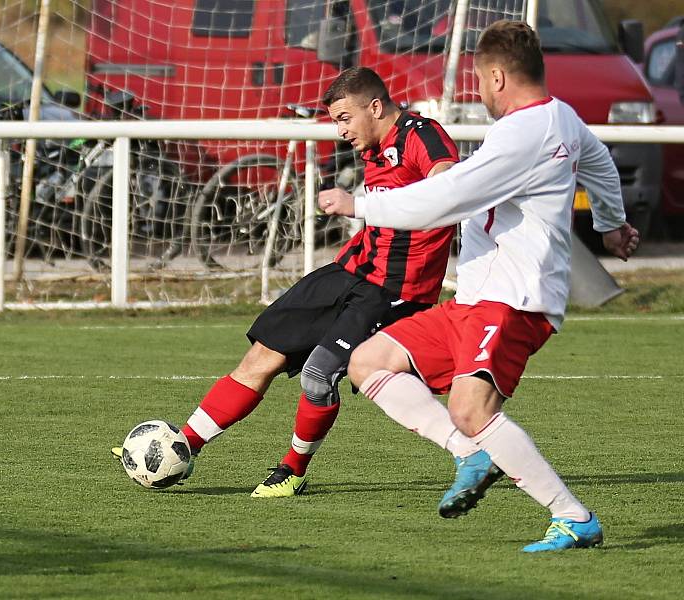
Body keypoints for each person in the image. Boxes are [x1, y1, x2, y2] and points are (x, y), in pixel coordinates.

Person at [116, 67, 503, 512]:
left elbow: (448, 182)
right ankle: (180, 447)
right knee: (261, 354)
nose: (341, 132)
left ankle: (292, 472)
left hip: (395, 289)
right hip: (350, 269)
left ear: (375, 107)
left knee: (319, 375)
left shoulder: (421, 133)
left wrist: (358, 204)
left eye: (344, 118)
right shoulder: (375, 144)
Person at [319, 21, 639, 552]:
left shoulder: (521, 134)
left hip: (514, 299)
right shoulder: (560, 116)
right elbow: (599, 158)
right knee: (370, 362)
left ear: (496, 76)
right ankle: (470, 453)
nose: (479, 91)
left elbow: (444, 197)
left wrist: (361, 204)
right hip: (476, 297)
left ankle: (572, 516)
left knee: (472, 409)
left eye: (478, 80)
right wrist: (609, 221)